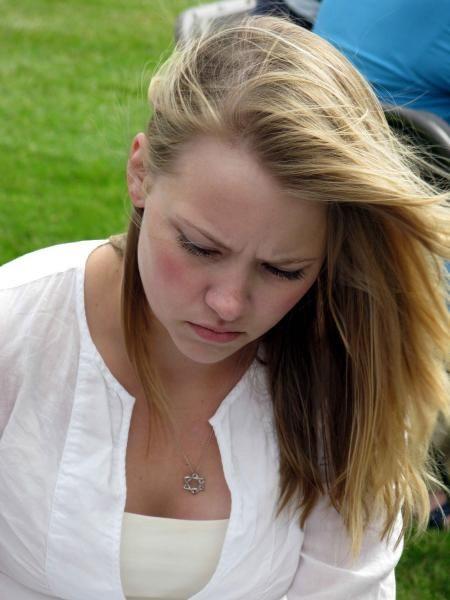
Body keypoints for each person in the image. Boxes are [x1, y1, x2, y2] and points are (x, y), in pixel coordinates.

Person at [0, 15, 449, 600]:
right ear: (140, 174)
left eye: (283, 270)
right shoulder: (18, 323)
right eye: (200, 247)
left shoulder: (348, 377)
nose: (229, 303)